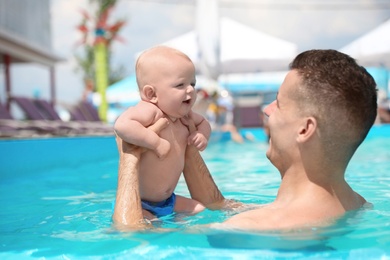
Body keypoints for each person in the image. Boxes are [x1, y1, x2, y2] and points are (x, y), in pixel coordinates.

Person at [113, 49, 377, 231]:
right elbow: (218, 205)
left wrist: (130, 156)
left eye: (279, 104)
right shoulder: (360, 206)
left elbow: (132, 237)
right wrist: (182, 134)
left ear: (305, 129)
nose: (266, 110)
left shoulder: (249, 228)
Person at [113, 46, 211, 220]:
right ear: (151, 94)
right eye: (180, 85)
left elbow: (204, 123)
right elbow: (122, 125)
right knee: (149, 224)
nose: (190, 90)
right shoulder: (151, 111)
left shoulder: (184, 116)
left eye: (192, 83)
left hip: (168, 200)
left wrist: (202, 135)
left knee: (200, 209)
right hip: (141, 202)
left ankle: (178, 227)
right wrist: (155, 142)